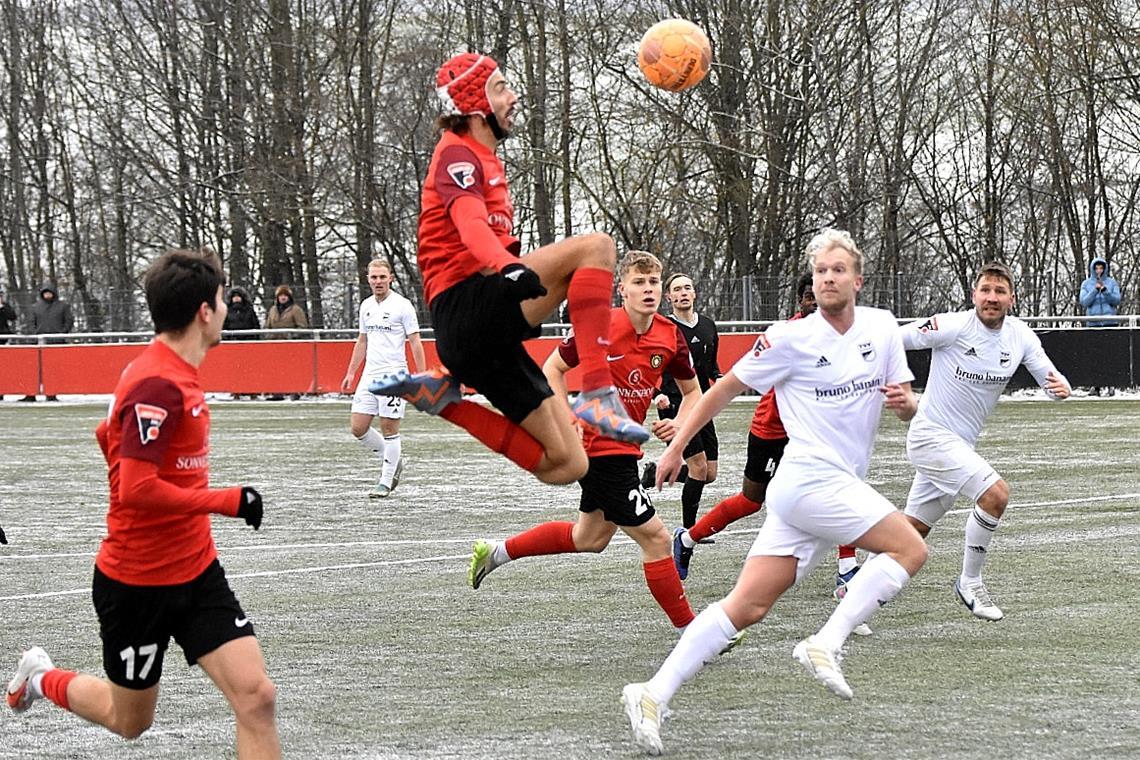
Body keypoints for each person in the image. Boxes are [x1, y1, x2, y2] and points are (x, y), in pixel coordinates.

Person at [621, 229, 926, 755]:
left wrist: (907, 405)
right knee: (910, 547)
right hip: (811, 479)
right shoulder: (788, 338)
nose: (828, 277)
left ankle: (651, 692)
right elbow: (723, 389)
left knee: (746, 607)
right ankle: (825, 642)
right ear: (813, 281)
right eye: (820, 270)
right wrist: (676, 450)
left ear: (857, 278)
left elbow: (906, 399)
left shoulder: (881, 328)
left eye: (837, 269)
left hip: (813, 493)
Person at [6, 249, 280, 758]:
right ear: (204, 310)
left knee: (257, 697)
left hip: (197, 572)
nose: (225, 309)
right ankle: (42, 678)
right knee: (129, 721)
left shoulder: (170, 370)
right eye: (221, 300)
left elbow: (106, 435)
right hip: (136, 583)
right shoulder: (158, 380)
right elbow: (135, 488)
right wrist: (228, 500)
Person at [368, 52, 646, 488]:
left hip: (481, 341)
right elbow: (470, 223)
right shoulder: (457, 153)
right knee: (597, 248)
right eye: (500, 87)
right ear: (476, 105)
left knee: (568, 465)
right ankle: (597, 393)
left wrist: (509, 267)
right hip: (464, 308)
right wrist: (507, 265)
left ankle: (445, 399)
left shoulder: (483, 155)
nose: (512, 96)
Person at [467, 251, 701, 630]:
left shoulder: (669, 335)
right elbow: (553, 370)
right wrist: (566, 419)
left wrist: (678, 426)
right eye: (639, 283)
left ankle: (497, 552)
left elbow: (694, 393)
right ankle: (694, 631)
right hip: (598, 450)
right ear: (621, 289)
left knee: (589, 538)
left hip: (624, 451)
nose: (648, 289)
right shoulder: (599, 325)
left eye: (653, 282)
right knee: (657, 540)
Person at [667, 273, 870, 635]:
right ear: (801, 302)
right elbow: (735, 383)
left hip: (812, 436)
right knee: (750, 501)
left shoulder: (845, 334)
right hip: (771, 431)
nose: (817, 303)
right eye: (810, 297)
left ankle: (847, 572)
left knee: (842, 487)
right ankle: (687, 539)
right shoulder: (787, 336)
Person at [901, 261, 1071, 621]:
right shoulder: (951, 326)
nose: (991, 298)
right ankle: (970, 582)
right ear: (974, 294)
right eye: (985, 290)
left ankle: (853, 601)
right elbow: (894, 340)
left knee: (908, 537)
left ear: (1011, 298)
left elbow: (1050, 379)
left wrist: (1061, 388)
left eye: (999, 291)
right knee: (996, 495)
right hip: (930, 437)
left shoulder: (1021, 336)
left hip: (959, 447)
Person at [341, 259, 427, 498]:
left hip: (393, 375)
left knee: (389, 428)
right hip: (369, 374)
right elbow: (362, 340)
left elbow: (415, 342)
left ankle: (385, 481)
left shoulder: (403, 306)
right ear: (368, 279)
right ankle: (393, 459)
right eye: (373, 277)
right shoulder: (366, 305)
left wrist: (420, 374)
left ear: (391, 278)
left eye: (382, 277)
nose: (377, 281)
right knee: (358, 428)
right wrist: (351, 372)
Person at [645, 273, 721, 531]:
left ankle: (657, 471)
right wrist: (657, 395)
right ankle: (688, 531)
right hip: (675, 407)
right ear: (669, 297)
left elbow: (712, 367)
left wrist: (719, 377)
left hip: (703, 404)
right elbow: (647, 368)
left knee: (710, 474)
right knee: (698, 468)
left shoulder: (709, 326)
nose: (683, 292)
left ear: (694, 293)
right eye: (677, 289)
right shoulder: (663, 328)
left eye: (687, 288)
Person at [23, 283, 73, 400]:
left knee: (53, 370)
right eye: (45, 293)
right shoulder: (35, 307)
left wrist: (62, 333)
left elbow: (69, 321)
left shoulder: (63, 306)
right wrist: (35, 335)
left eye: (49, 293)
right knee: (34, 370)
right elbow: (30, 322)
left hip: (56, 343)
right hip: (38, 343)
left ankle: (51, 393)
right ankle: (30, 394)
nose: (47, 295)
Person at [1079, 257, 1121, 327]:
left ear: (1104, 269)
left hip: (1110, 322)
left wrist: (1105, 291)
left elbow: (1116, 300)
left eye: (1101, 268)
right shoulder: (1086, 284)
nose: (1099, 271)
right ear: (1093, 269)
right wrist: (1095, 290)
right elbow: (1084, 302)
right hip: (1093, 323)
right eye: (1096, 268)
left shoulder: (1112, 282)